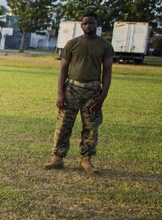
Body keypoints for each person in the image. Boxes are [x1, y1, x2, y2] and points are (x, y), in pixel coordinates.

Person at [44, 12, 113, 174]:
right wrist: (60, 93)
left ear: (97, 25)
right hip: (72, 89)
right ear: (81, 25)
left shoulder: (105, 45)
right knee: (63, 125)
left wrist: (103, 96)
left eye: (92, 23)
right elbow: (63, 69)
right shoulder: (72, 44)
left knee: (91, 127)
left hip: (93, 91)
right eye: (85, 23)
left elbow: (108, 70)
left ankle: (86, 159)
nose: (88, 26)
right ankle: (58, 158)